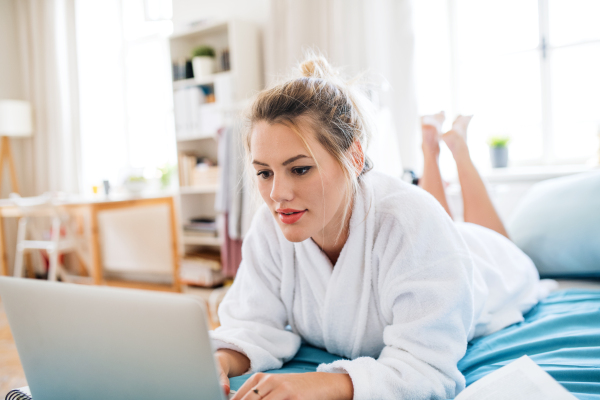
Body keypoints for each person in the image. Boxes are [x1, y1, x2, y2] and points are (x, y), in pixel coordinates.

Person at [211, 55, 547, 400]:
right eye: (264, 172)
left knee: (461, 225)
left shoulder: (411, 221)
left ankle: (453, 146)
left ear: (355, 158)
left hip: (492, 262)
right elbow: (252, 322)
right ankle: (435, 146)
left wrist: (320, 384)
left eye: (299, 169)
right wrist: (217, 361)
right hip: (435, 238)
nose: (277, 195)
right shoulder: (271, 225)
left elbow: (426, 370)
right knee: (444, 218)